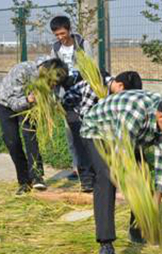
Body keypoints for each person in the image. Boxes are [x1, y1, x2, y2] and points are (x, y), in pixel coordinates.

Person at [81, 90, 162, 254]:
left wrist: (156, 197)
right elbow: (122, 153)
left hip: (129, 139)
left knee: (145, 176)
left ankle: (137, 230)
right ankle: (106, 248)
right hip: (98, 132)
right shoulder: (134, 112)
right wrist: (124, 184)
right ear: (161, 117)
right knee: (106, 178)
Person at [0, 56, 68, 196]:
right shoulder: (22, 71)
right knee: (12, 142)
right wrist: (29, 99)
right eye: (50, 83)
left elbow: (55, 95)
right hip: (7, 103)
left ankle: (37, 177)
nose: (51, 86)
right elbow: (14, 103)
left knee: (31, 137)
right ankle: (24, 181)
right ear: (44, 72)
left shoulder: (54, 73)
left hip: (31, 106)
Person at [63, 70, 143, 192]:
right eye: (125, 94)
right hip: (74, 109)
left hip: (93, 113)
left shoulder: (114, 91)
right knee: (83, 139)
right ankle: (87, 179)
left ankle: (105, 172)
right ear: (120, 85)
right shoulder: (96, 86)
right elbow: (85, 114)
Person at [49, 15, 93, 181]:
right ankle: (77, 168)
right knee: (70, 133)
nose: (60, 37)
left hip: (84, 94)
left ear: (69, 30)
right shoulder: (55, 48)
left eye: (62, 33)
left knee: (86, 130)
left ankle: (91, 165)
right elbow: (52, 69)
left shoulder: (82, 45)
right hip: (65, 95)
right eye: (57, 35)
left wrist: (80, 78)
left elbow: (91, 68)